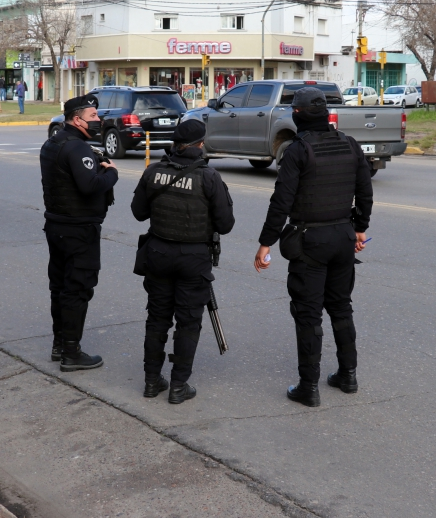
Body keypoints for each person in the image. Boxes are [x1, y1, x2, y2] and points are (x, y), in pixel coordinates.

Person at [253, 87, 373, 408]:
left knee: (308, 315)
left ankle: (309, 387)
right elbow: (365, 190)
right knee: (341, 307)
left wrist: (266, 243)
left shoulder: (297, 150)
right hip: (343, 238)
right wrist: (360, 228)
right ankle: (348, 375)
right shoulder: (349, 144)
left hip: (311, 242)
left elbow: (281, 202)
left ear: (297, 115)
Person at [130, 120, 234, 404]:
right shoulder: (210, 177)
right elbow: (226, 225)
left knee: (157, 319)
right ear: (200, 144)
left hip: (159, 254)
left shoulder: (153, 171)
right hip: (193, 258)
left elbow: (138, 212)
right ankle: (178, 386)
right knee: (188, 323)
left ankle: (152, 382)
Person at [39, 94, 119, 372]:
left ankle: (60, 344)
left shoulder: (53, 142)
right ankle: (71, 352)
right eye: (93, 117)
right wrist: (111, 173)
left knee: (59, 287)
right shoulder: (77, 148)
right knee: (77, 289)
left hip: (57, 226)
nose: (99, 121)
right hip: (78, 230)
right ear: (77, 119)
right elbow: (90, 185)